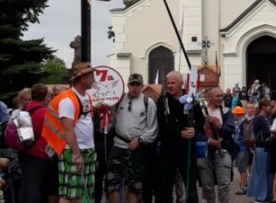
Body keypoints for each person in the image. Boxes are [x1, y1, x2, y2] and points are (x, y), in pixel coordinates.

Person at [42, 62, 97, 203]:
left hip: (87, 149)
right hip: (72, 151)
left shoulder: (86, 97)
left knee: (81, 192)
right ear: (82, 78)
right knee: (68, 193)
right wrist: (76, 154)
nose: (94, 80)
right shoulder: (67, 99)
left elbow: (85, 122)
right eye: (91, 77)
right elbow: (68, 129)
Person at [106, 73, 158, 203]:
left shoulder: (148, 102)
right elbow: (110, 121)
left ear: (142, 86)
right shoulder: (118, 100)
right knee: (112, 183)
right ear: (128, 85)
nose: (134, 87)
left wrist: (141, 140)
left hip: (137, 148)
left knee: (135, 186)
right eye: (132, 84)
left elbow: (152, 128)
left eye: (137, 84)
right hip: (118, 146)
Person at [156, 71, 205, 203]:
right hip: (168, 149)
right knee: (165, 187)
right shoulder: (163, 100)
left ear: (181, 84)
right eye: (168, 83)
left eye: (173, 83)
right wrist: (179, 133)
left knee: (190, 186)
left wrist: (195, 129)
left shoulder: (191, 99)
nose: (170, 86)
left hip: (187, 149)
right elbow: (162, 125)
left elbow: (201, 120)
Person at [197, 86, 238, 203]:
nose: (221, 98)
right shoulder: (200, 112)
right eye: (217, 96)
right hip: (204, 152)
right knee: (207, 185)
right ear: (209, 97)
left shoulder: (226, 112)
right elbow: (196, 132)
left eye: (222, 96)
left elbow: (230, 131)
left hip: (223, 151)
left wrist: (218, 125)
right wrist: (209, 141)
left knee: (224, 184)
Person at [19, 83, 59, 203]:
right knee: (34, 187)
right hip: (39, 154)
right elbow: (54, 133)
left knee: (25, 183)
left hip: (24, 151)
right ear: (44, 96)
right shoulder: (44, 112)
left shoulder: (25, 109)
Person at [247, 98, 273, 203]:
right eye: (268, 106)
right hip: (261, 147)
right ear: (263, 107)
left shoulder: (264, 118)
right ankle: (260, 196)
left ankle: (265, 194)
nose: (270, 107)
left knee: (265, 172)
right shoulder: (260, 118)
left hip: (264, 147)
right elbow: (267, 132)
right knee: (261, 172)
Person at [232, 106, 249, 195]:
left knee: (242, 168)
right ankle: (243, 184)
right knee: (240, 167)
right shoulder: (239, 122)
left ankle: (243, 186)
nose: (233, 116)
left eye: (234, 114)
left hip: (242, 148)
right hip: (239, 148)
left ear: (238, 115)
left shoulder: (244, 123)